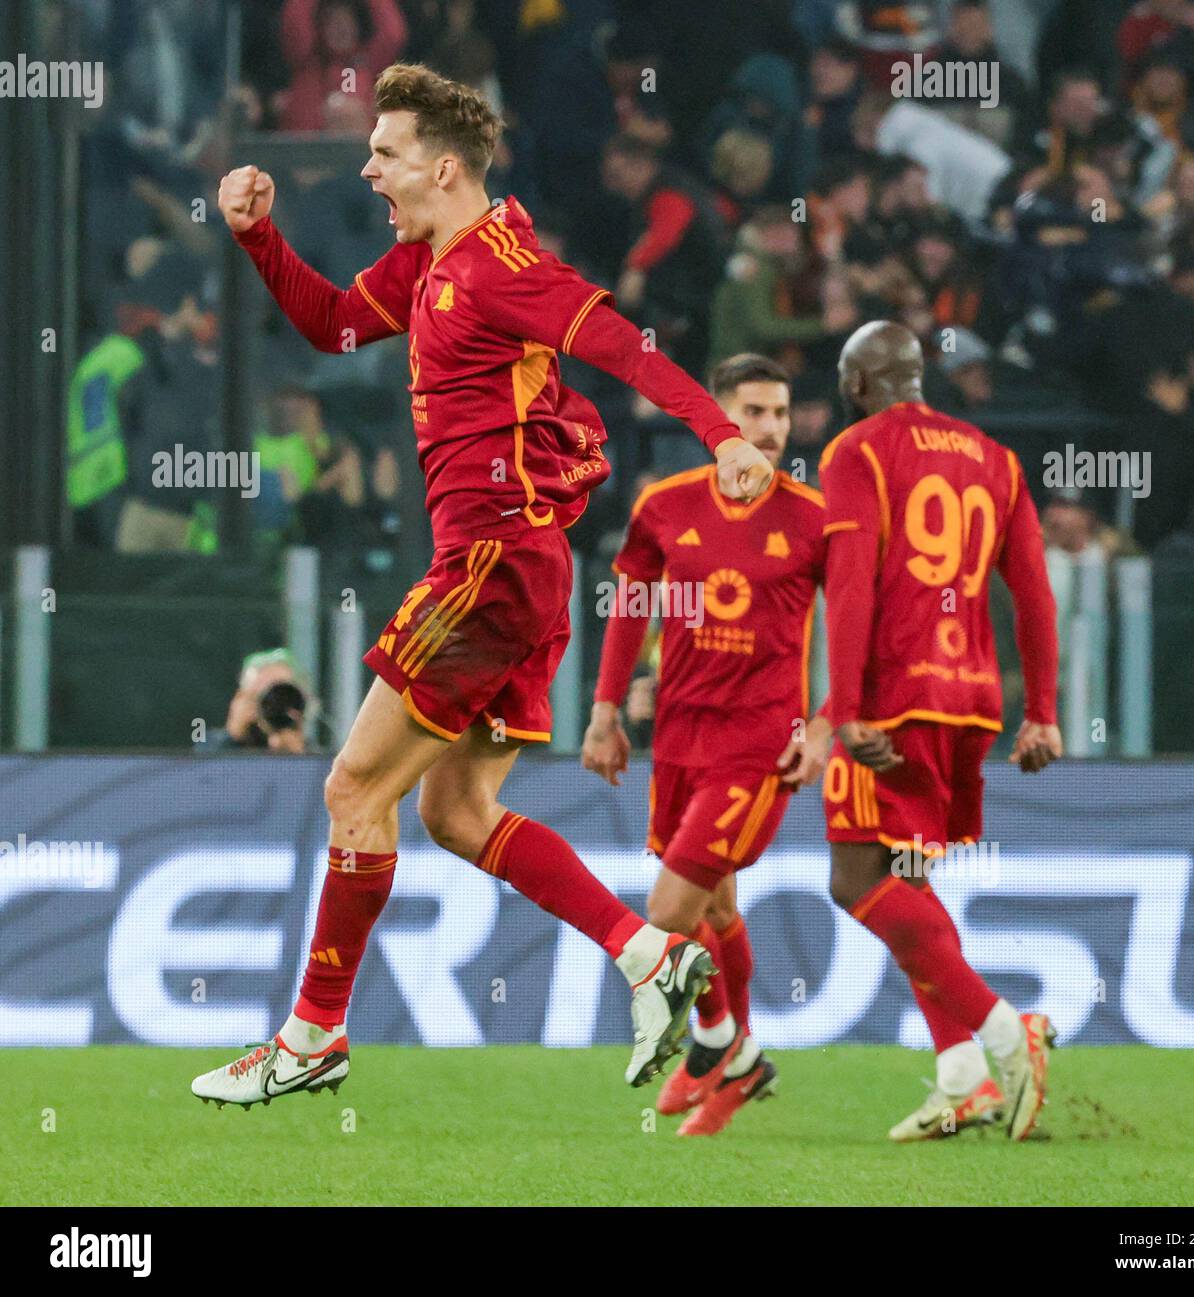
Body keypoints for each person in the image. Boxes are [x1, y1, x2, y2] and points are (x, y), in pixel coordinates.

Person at [191, 63, 774, 1109]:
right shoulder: (427, 263)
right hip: (521, 573)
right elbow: (331, 326)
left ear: (443, 166)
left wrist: (723, 434)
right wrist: (258, 240)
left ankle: (312, 1034)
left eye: (386, 150)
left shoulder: (504, 266)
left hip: (491, 567)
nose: (367, 166)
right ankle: (645, 952)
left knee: (352, 790)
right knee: (457, 814)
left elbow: (624, 347)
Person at [818, 320, 1062, 1142]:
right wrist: (1045, 714)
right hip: (971, 705)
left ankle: (1004, 1034)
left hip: (893, 702)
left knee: (856, 881)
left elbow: (850, 586)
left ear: (858, 383)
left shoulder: (856, 451)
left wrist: (846, 707)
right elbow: (1033, 593)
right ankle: (963, 1079)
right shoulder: (997, 459)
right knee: (909, 880)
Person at [582, 354, 832, 1136]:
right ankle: (743, 1056)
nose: (769, 429)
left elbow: (863, 630)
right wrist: (605, 709)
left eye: (781, 414)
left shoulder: (816, 518)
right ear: (717, 421)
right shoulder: (664, 507)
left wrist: (824, 723)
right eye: (753, 412)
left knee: (666, 912)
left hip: (758, 742)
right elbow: (631, 605)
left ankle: (717, 1040)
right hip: (679, 734)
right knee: (715, 906)